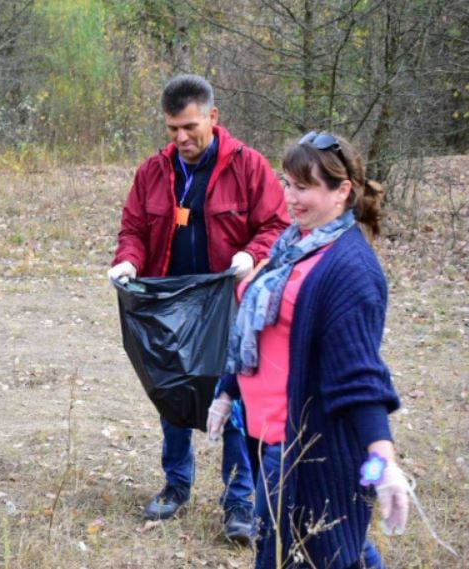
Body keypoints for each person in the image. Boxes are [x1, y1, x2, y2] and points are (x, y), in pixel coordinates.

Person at [210, 131, 409, 568]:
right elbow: (259, 330)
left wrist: (383, 466)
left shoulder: (350, 271)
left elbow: (360, 377)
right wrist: (228, 390)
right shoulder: (291, 246)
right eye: (287, 183)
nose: (290, 197)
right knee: (340, 545)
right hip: (268, 435)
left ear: (342, 192)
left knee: (288, 552)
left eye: (303, 187)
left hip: (308, 447)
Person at [108, 74, 290, 541]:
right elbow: (133, 228)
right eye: (172, 129)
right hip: (171, 307)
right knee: (172, 395)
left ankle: (239, 503)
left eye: (189, 127)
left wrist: (252, 255)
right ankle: (176, 486)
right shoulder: (153, 171)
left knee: (232, 404)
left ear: (213, 116)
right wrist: (127, 262)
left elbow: (277, 224)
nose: (181, 139)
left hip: (227, 306)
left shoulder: (248, 167)